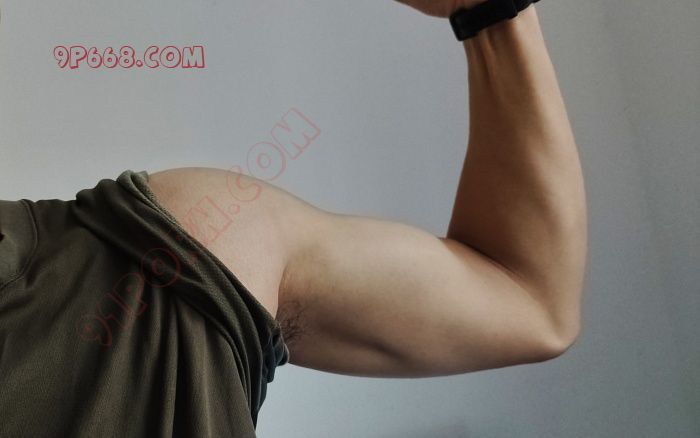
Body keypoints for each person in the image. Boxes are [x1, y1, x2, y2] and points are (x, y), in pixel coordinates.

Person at [0, 1, 586, 436]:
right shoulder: (185, 246)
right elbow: (528, 298)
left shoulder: (172, 250)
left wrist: (487, 9)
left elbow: (528, 301)